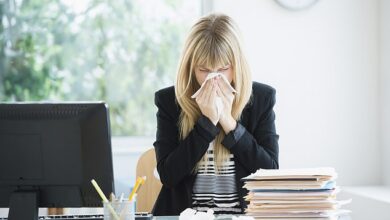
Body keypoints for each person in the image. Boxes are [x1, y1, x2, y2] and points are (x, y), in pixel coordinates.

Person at [152, 13, 279, 216]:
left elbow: (270, 173)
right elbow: (168, 175)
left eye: (223, 69)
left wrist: (228, 121)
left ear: (237, 65)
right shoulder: (169, 101)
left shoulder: (261, 99)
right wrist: (207, 124)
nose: (214, 79)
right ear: (191, 67)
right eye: (204, 70)